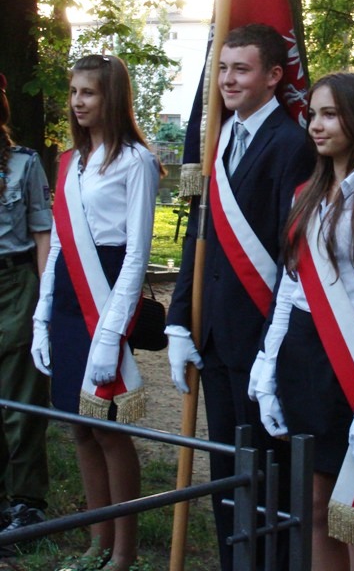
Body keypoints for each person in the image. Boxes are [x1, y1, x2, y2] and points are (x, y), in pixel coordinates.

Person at [166, 23, 314, 571]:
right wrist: (179, 319)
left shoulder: (293, 146)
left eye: (241, 69)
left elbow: (290, 259)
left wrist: (272, 351)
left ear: (274, 76)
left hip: (261, 339)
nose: (226, 80)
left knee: (266, 477)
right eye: (223, 68)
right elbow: (198, 235)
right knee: (227, 472)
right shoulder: (219, 135)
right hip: (213, 333)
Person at [254, 71, 354, 571]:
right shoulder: (306, 193)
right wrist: (267, 365)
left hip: (352, 361)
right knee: (317, 505)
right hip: (302, 355)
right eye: (313, 114)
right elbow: (290, 288)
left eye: (329, 114)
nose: (315, 126)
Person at [31, 55, 161, 571]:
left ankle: (124, 552)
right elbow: (60, 244)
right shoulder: (70, 162)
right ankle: (96, 543)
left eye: (88, 92)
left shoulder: (136, 161)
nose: (77, 102)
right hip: (68, 299)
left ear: (113, 97)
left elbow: (137, 253)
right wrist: (42, 317)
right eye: (73, 92)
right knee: (78, 427)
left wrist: (111, 333)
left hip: (106, 297)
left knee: (107, 428)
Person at [0, 73, 52, 549]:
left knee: (20, 398)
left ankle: (27, 503)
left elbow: (41, 234)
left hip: (15, 284)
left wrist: (43, 303)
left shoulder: (24, 163)